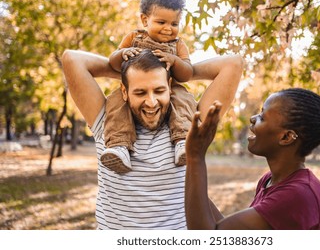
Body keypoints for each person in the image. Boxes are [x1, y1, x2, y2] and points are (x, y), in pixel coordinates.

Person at [61, 48, 243, 229]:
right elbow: (72, 59)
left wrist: (178, 71)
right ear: (124, 91)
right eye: (140, 92)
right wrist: (128, 71)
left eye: (159, 90)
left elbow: (233, 64)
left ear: (170, 87)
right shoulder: (107, 123)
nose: (151, 102)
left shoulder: (190, 125)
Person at [185, 88, 320, 230]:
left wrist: (195, 156)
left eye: (262, 117)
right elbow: (225, 230)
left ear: (286, 137)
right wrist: (183, 179)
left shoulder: (298, 195)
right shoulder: (269, 180)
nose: (252, 119)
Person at [102, 0, 194, 174]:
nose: (168, 29)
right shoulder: (134, 37)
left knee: (184, 100)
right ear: (145, 20)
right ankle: (119, 146)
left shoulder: (178, 46)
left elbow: (187, 74)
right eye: (161, 22)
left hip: (167, 90)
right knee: (116, 101)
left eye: (174, 24)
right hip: (137, 90)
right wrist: (123, 53)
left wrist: (175, 61)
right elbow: (112, 62)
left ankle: (182, 142)